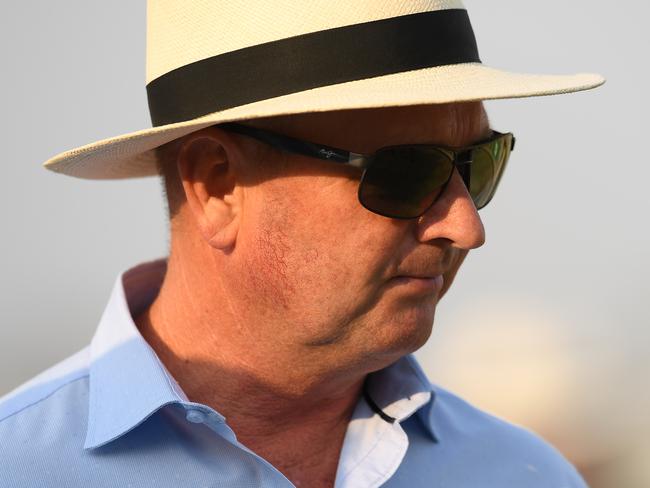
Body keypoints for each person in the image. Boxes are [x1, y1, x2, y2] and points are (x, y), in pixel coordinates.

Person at [0, 1, 604, 487]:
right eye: (406, 173)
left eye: (478, 164)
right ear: (217, 185)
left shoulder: (525, 474)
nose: (465, 227)